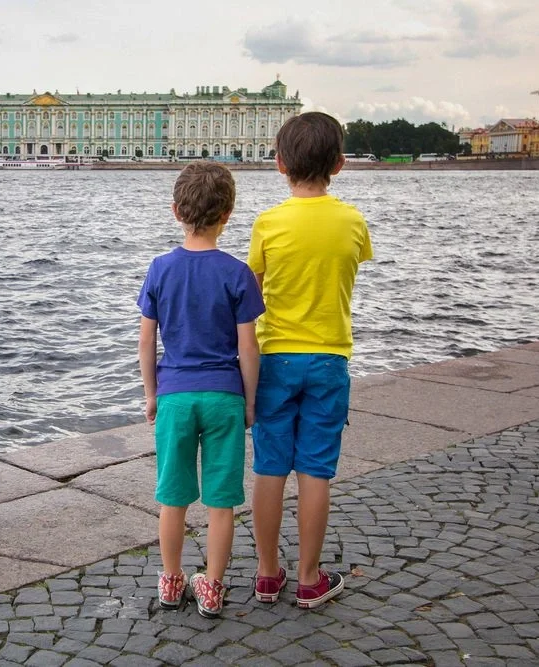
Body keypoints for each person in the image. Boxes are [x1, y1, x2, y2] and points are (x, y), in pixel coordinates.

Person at [246, 111, 373, 609]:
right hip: (328, 358)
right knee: (316, 469)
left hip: (275, 357)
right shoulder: (352, 222)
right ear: (340, 164)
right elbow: (350, 267)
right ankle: (309, 578)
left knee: (269, 467)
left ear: (279, 163)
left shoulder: (267, 223)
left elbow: (252, 296)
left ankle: (266, 574)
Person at [137, 161, 264, 618]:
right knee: (221, 501)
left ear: (176, 211)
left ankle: (171, 582)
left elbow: (146, 340)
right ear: (227, 213)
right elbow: (248, 347)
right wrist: (250, 400)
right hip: (224, 395)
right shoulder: (237, 273)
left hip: (175, 395)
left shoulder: (160, 269)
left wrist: (151, 393)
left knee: (172, 496)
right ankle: (211, 586)